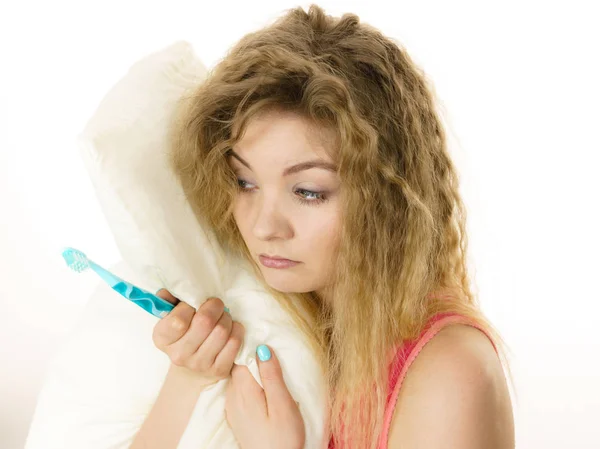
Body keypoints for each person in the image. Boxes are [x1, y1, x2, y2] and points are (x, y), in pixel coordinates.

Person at [131, 4, 516, 449]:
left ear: (388, 198)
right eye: (244, 182)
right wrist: (189, 377)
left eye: (308, 191)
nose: (263, 227)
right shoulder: (268, 311)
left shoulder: (449, 371)